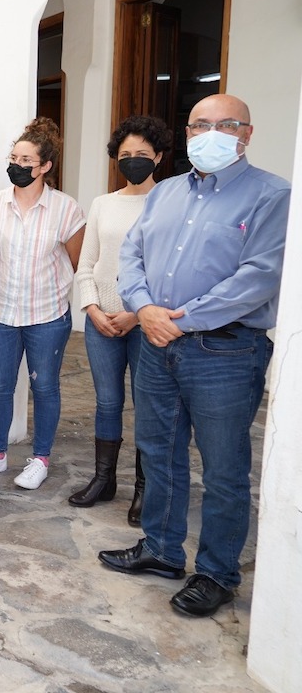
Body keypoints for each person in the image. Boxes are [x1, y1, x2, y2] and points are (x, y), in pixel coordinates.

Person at [99, 94, 289, 617]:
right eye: (199, 125)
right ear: (186, 134)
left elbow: (258, 278)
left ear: (246, 133)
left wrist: (175, 318)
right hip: (157, 346)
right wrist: (145, 308)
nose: (210, 133)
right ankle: (161, 549)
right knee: (160, 452)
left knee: (224, 468)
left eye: (223, 124)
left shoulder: (273, 195)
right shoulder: (167, 193)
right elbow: (131, 254)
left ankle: (218, 572)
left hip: (224, 351)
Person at [0, 117, 85, 490]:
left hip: (47, 314)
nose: (17, 164)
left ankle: (41, 458)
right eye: (13, 157)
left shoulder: (66, 210)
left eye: (26, 160)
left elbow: (78, 261)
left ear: (45, 166)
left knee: (45, 386)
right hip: (0, 311)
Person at [69, 115, 169, 514]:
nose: (133, 161)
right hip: (101, 322)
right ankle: (104, 479)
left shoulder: (169, 202)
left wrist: (135, 313)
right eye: (125, 154)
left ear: (158, 157)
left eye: (142, 154)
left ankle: (144, 487)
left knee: (147, 404)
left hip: (144, 322)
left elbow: (165, 269)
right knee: (108, 403)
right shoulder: (103, 204)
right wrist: (92, 308)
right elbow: (87, 262)